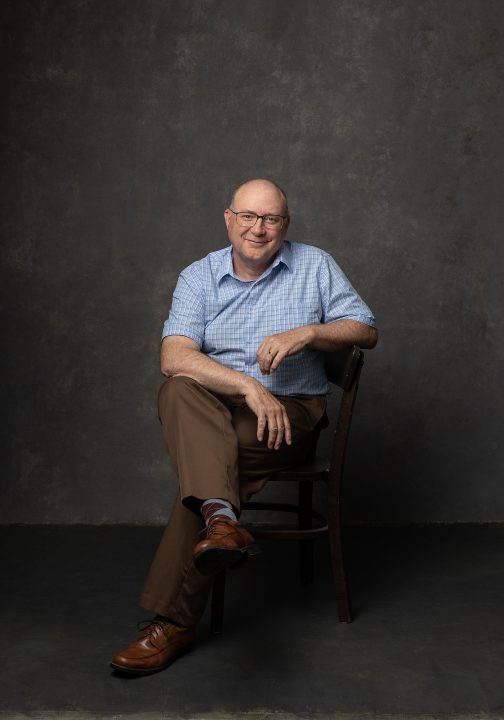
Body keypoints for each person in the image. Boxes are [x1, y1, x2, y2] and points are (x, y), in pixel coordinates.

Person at [111, 178, 377, 675]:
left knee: (206, 469)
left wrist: (310, 332)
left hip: (291, 414)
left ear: (286, 225)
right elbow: (174, 356)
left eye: (271, 219)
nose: (259, 228)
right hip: (219, 409)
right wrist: (247, 386)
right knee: (179, 388)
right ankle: (222, 521)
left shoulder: (314, 265)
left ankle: (174, 618)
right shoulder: (199, 276)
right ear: (229, 219)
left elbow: (365, 329)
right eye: (249, 217)